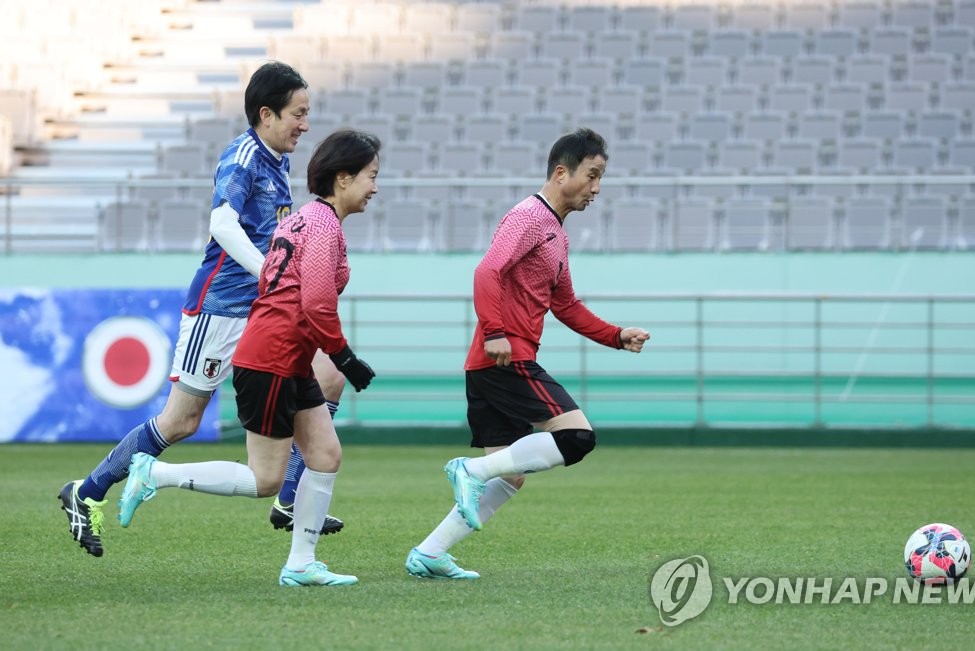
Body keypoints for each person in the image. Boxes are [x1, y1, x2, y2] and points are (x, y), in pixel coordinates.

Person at [58, 61, 346, 558]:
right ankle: (85, 492)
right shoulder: (242, 157)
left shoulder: (276, 159)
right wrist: (270, 272)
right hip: (220, 310)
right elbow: (222, 223)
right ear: (266, 114)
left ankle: (290, 497)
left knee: (330, 376)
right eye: (298, 113)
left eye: (307, 113)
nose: (305, 124)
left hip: (263, 311)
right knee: (181, 422)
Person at [117, 129, 380, 587]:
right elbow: (316, 302)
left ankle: (301, 564)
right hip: (273, 359)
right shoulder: (321, 226)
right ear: (343, 178)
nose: (375, 187)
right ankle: (156, 473)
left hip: (285, 356)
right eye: (371, 176)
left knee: (324, 452)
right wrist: (345, 357)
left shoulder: (304, 219)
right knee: (265, 480)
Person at [405, 128, 651, 580]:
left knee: (510, 476)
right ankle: (468, 469)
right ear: (562, 173)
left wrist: (616, 336)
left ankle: (430, 552)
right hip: (505, 356)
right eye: (592, 176)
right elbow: (487, 270)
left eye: (601, 179)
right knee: (578, 438)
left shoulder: (556, 234)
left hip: (489, 362)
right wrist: (496, 331)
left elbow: (566, 305)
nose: (597, 189)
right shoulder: (528, 217)